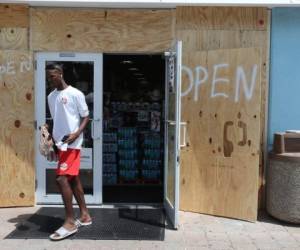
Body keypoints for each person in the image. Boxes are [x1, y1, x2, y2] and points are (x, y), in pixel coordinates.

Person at [46, 64, 92, 240]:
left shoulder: (75, 94)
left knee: (61, 178)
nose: (50, 80)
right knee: (73, 179)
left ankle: (70, 222)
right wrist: (51, 139)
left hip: (72, 143)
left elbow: (86, 116)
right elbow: (56, 119)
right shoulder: (51, 96)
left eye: (52, 76)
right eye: (48, 77)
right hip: (60, 144)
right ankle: (85, 215)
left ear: (60, 74)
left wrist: (77, 133)